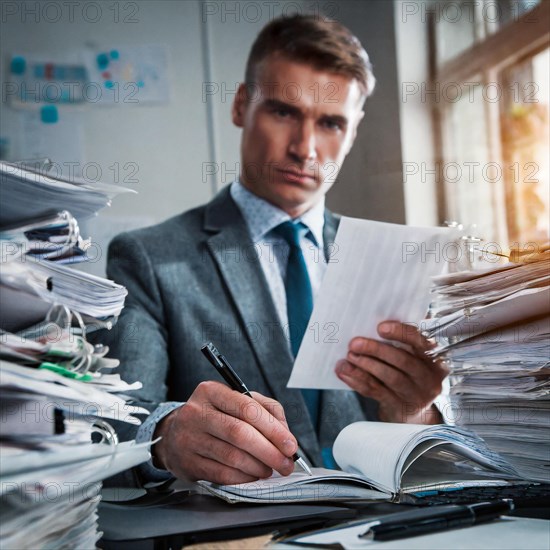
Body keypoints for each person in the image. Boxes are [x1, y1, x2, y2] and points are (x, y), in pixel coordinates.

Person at [102, 14, 448, 487]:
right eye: (284, 112)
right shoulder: (148, 257)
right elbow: (114, 422)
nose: (305, 148)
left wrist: (414, 411)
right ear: (242, 105)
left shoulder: (395, 259)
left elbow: (428, 461)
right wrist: (166, 435)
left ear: (353, 131)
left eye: (330, 123)